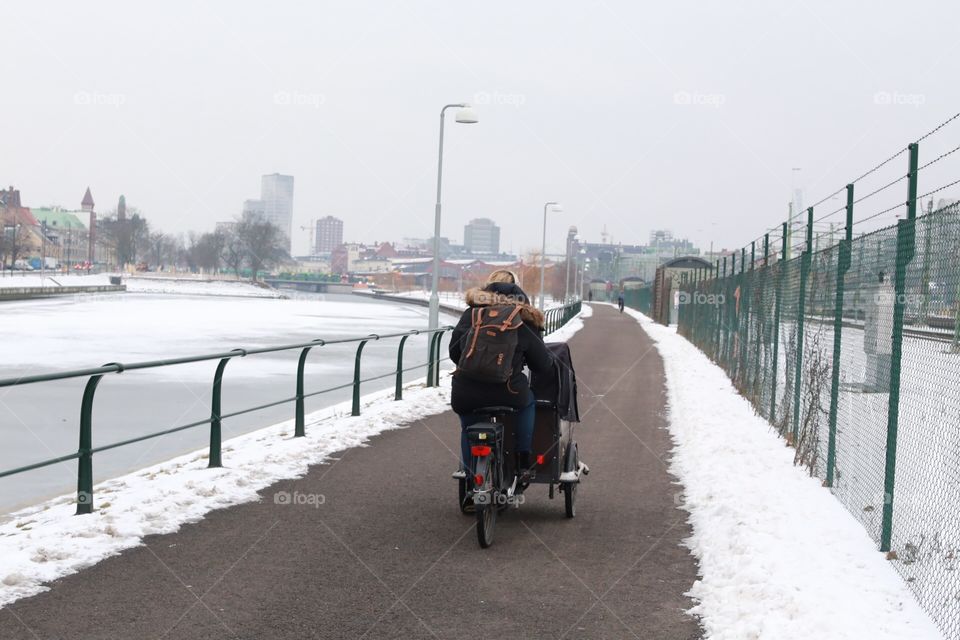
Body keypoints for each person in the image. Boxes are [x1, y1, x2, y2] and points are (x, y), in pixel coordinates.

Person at [449, 270, 554, 496]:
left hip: (465, 392)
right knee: (528, 404)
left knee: (468, 424)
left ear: (486, 288)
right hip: (509, 391)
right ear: (518, 290)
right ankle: (522, 460)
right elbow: (541, 365)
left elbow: (454, 353)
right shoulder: (524, 317)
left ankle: (470, 481)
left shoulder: (471, 314)